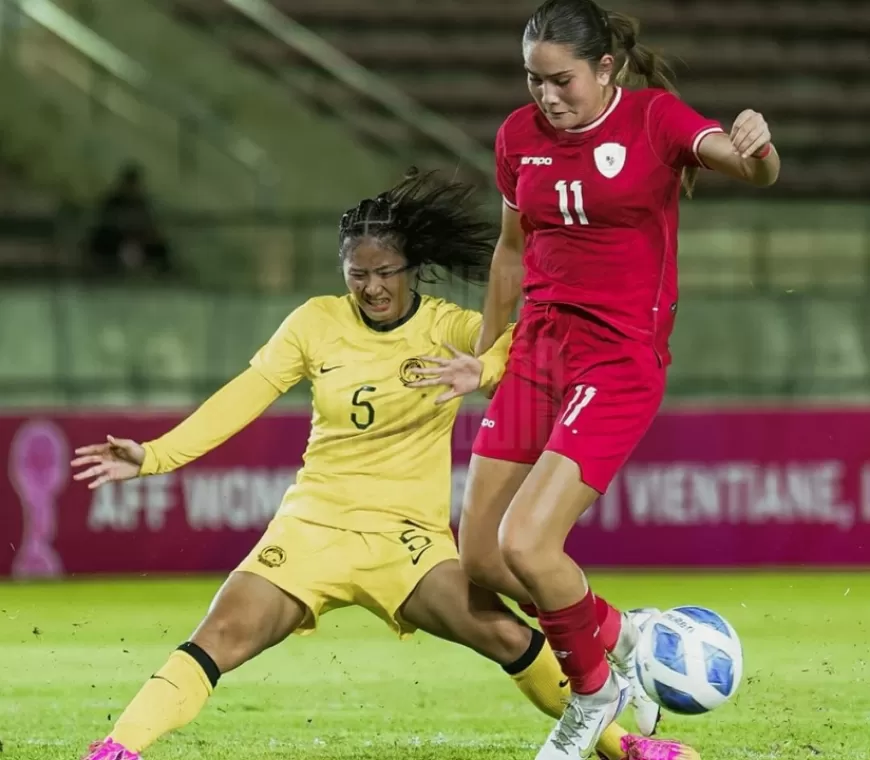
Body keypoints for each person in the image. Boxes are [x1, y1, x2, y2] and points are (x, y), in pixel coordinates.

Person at [71, 170, 698, 760]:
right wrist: (154, 456)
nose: (371, 287)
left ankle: (628, 746)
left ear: (413, 270)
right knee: (221, 636)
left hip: (410, 544)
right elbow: (245, 393)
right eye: (357, 274)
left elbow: (523, 342)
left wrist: (482, 366)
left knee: (506, 636)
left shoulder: (449, 327)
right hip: (315, 527)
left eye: (385, 272)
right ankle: (117, 749)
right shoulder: (315, 323)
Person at [428, 2, 781, 759]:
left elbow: (749, 168)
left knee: (529, 543)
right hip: (537, 354)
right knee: (482, 556)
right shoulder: (518, 138)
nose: (546, 97)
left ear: (606, 69)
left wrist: (759, 148)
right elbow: (511, 255)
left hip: (617, 361)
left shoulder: (654, 120)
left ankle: (592, 694)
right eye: (533, 81)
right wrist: (490, 359)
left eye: (562, 81)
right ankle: (628, 635)